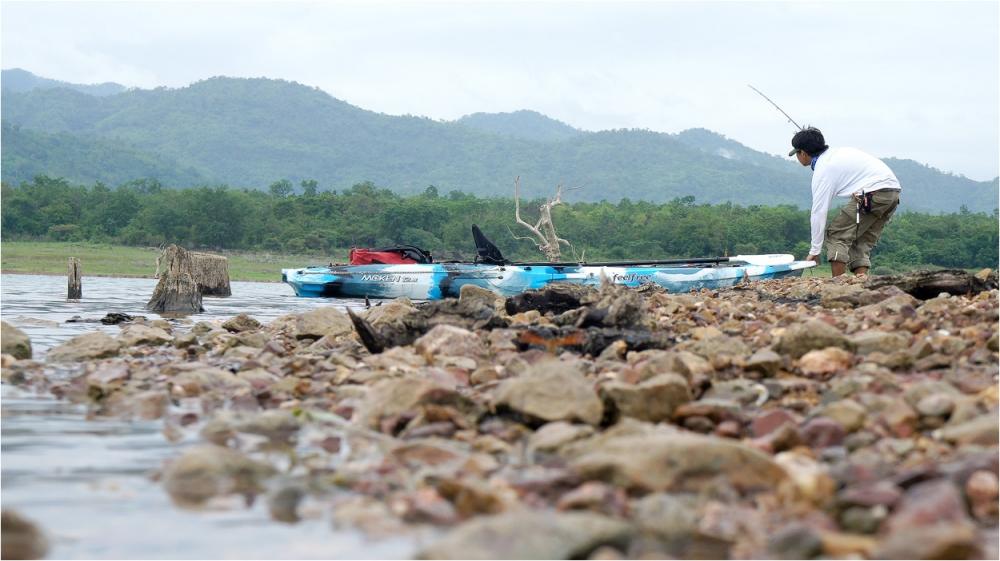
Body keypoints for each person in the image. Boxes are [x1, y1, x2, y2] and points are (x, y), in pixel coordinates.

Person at [790, 127, 901, 277]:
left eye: (796, 153)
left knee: (837, 235)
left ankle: (839, 284)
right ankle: (860, 285)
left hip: (872, 194)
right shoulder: (840, 153)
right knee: (859, 240)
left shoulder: (824, 169)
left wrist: (815, 250)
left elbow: (818, 212)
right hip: (892, 193)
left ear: (802, 153)